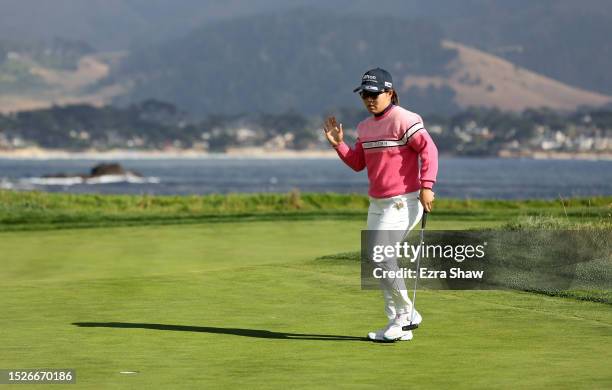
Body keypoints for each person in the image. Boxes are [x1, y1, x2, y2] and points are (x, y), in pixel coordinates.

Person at [323, 67, 438, 342]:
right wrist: (339, 145)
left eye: (374, 93)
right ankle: (397, 324)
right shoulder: (364, 127)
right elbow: (358, 163)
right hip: (377, 204)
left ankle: (407, 314)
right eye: (365, 94)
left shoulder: (405, 119)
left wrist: (427, 186)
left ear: (390, 92)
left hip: (404, 202)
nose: (369, 99)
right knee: (380, 262)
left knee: (381, 256)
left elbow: (429, 150)